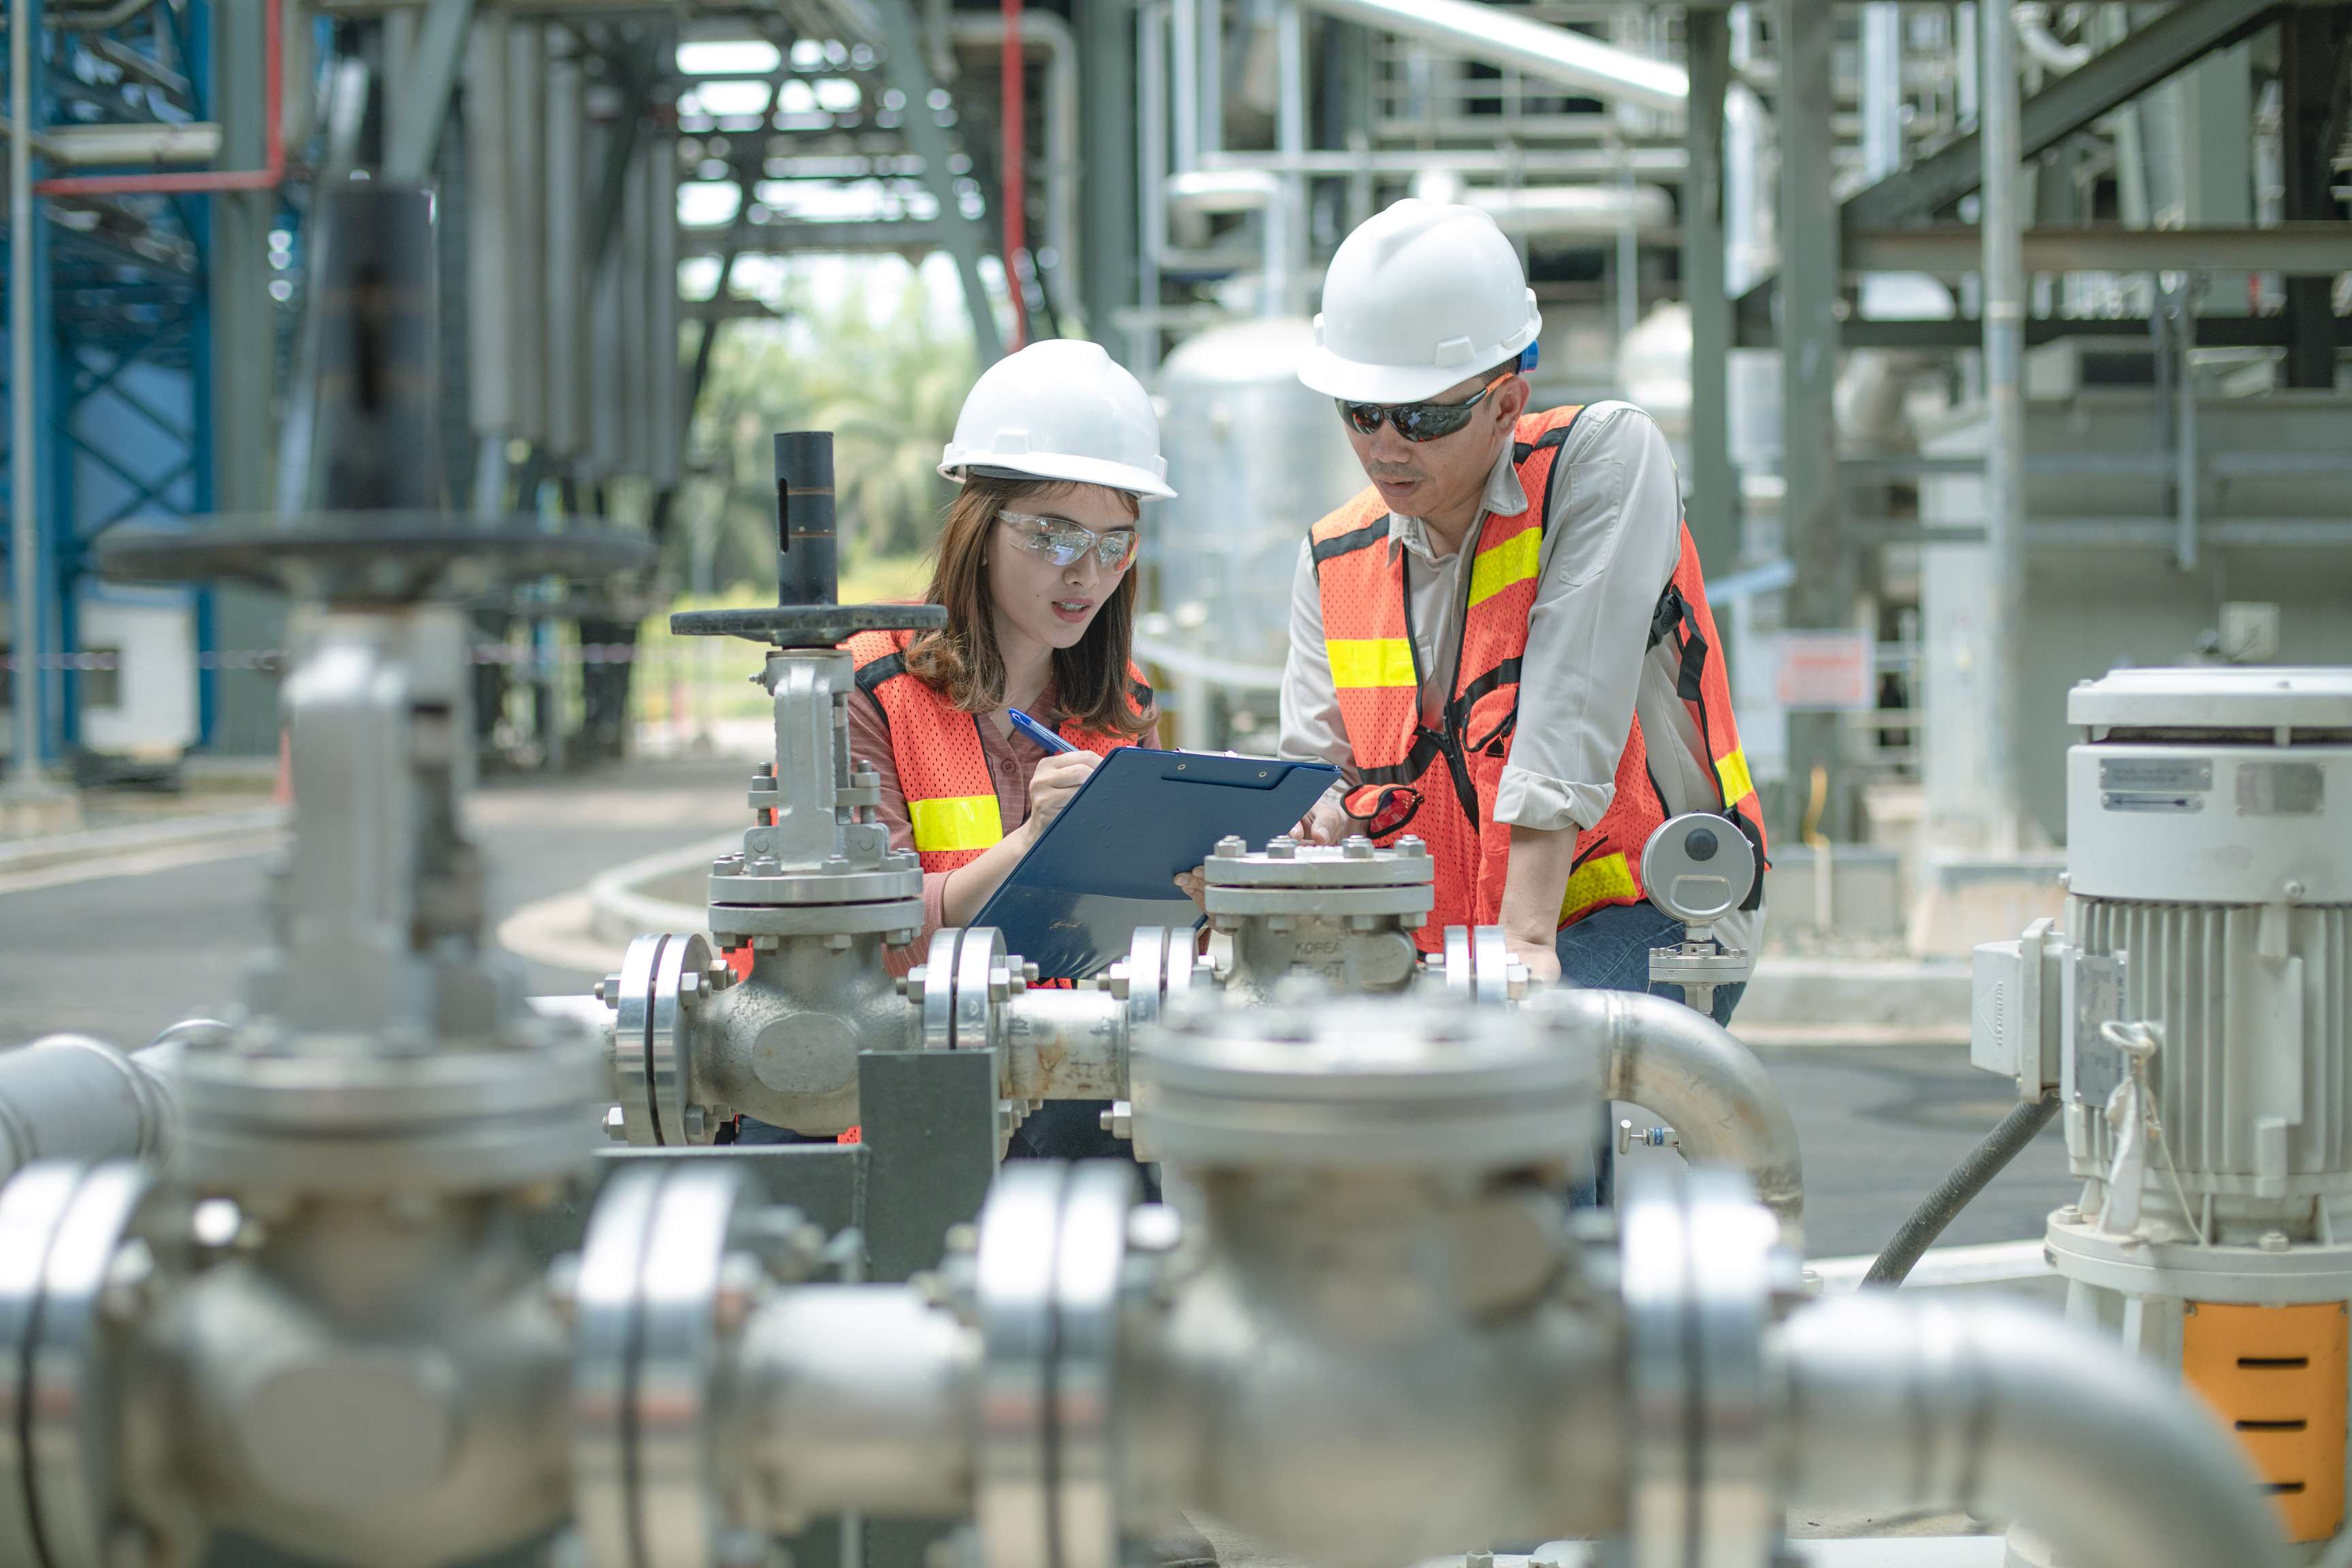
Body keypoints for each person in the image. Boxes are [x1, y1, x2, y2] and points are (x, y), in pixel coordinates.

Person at [1278, 199, 1767, 1026]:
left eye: (1425, 417)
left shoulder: (1601, 460)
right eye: (1362, 415)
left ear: (1507, 404)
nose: (1387, 447)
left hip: (1647, 907)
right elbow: (1324, 783)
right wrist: (1298, 836)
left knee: (1533, 1101)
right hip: (1448, 948)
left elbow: (1566, 717)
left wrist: (1527, 939)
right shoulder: (1333, 558)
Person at [838, 337, 1174, 1162]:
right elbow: (869, 941)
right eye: (1054, 536)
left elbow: (1146, 947)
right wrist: (1032, 847)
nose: (1084, 575)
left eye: (1113, 543)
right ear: (980, 529)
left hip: (1075, 1093)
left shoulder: (1123, 705)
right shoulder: (867, 684)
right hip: (903, 1098)